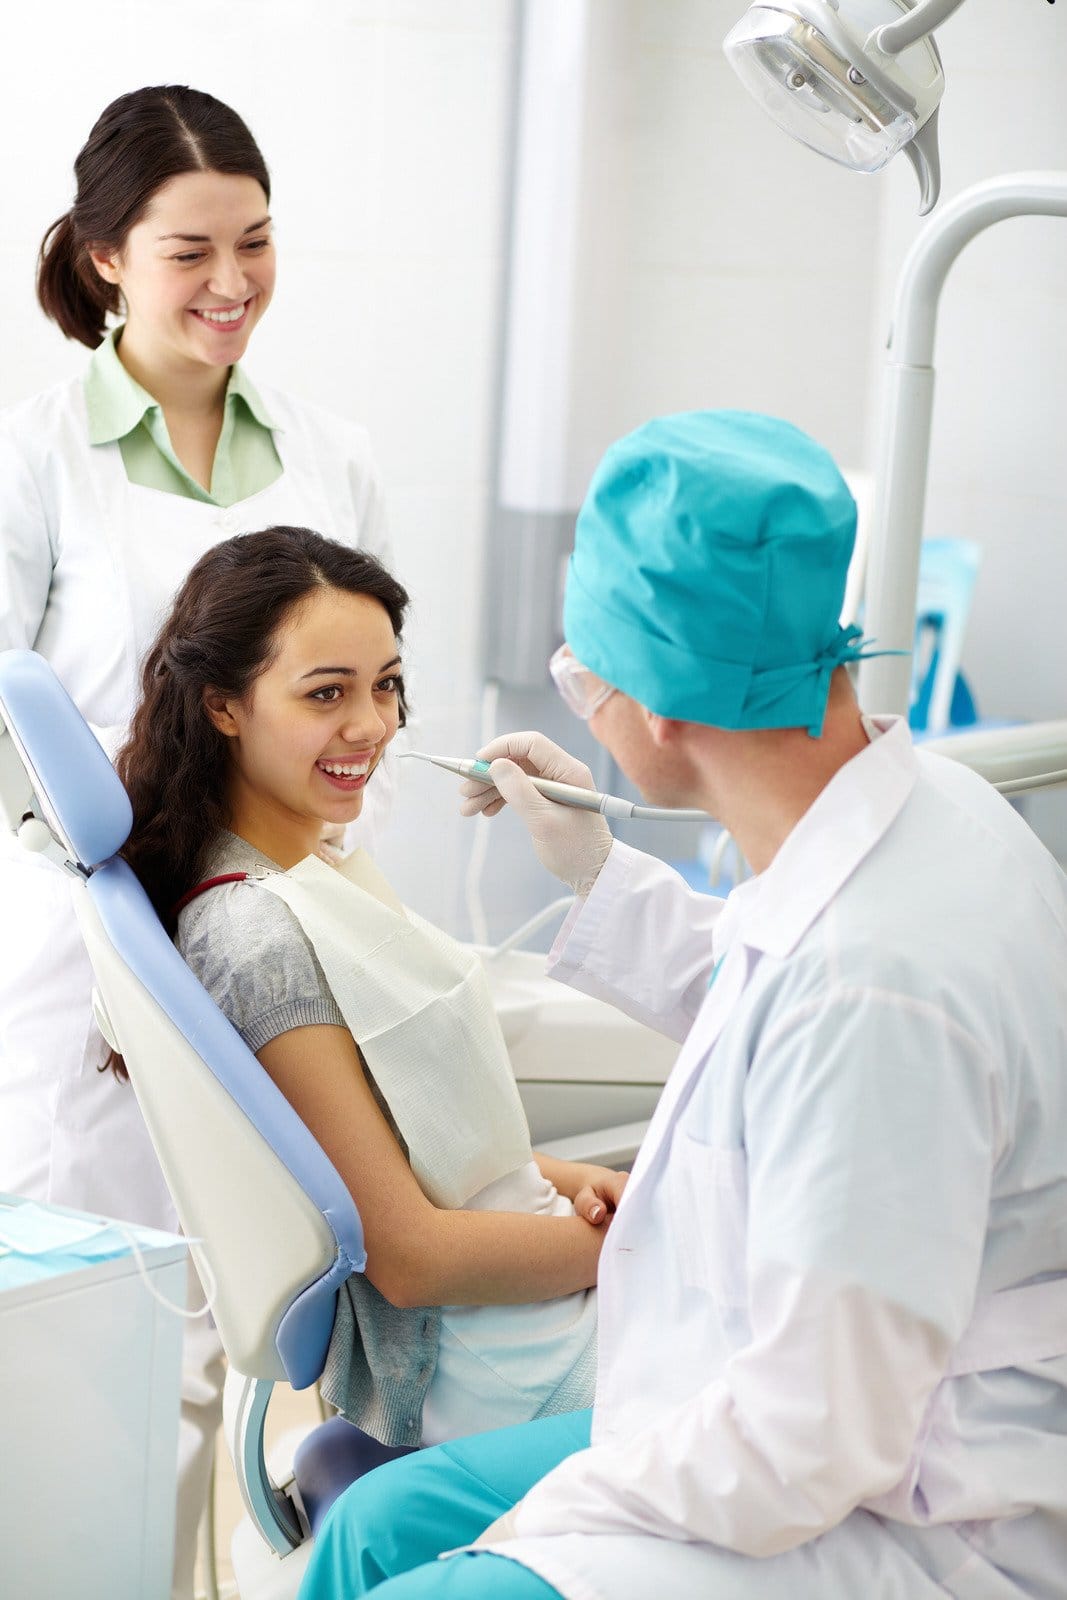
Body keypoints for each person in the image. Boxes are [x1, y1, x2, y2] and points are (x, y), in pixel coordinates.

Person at [297, 410, 1067, 1600]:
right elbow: (767, 986)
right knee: (372, 1521)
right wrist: (593, 868)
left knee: (435, 1581)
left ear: (654, 709)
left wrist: (544, 1523)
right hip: (791, 1415)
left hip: (909, 1510)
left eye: (580, 675)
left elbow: (811, 1437)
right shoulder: (923, 816)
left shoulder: (881, 988)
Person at [0, 86, 392, 1597]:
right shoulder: (37, 459)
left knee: (266, 1320)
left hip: (285, 925)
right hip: (87, 952)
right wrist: (153, 801)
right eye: (188, 253)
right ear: (105, 256)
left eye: (257, 242)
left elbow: (368, 706)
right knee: (99, 1334)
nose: (231, 282)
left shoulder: (329, 453)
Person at [117, 523, 618, 1452]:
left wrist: (592, 1187)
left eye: (385, 684)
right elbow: (408, 1255)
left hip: (523, 1300)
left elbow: (411, 1152)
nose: (373, 726)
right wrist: (641, 1245)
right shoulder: (254, 933)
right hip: (499, 1359)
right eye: (326, 694)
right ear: (224, 706)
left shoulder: (316, 869)